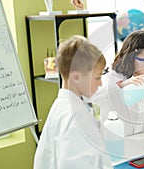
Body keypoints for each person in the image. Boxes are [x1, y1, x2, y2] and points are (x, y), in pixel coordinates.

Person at [34, 35, 112, 169]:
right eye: (97, 77)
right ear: (76, 77)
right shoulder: (75, 116)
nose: (100, 84)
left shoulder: (62, 106)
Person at [91, 30, 144, 136]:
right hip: (117, 144)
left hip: (142, 143)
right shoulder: (111, 79)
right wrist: (122, 85)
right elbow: (90, 95)